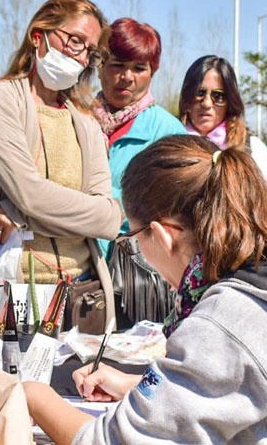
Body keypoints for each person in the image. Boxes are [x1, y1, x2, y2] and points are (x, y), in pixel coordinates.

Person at [24, 134, 267, 444]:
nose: (138, 249)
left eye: (135, 238)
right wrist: (136, 387)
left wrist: (31, 394)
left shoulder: (232, 316)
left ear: (162, 234)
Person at [0, 0, 120, 313]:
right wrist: (31, 206)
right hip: (10, 291)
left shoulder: (87, 121)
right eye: (75, 41)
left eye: (89, 52)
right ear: (39, 36)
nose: (80, 58)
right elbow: (31, 195)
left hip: (83, 292)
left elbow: (108, 217)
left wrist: (20, 215)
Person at [92, 18, 185, 326]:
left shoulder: (167, 131)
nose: (127, 77)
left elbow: (179, 209)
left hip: (139, 275)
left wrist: (111, 207)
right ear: (99, 64)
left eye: (139, 68)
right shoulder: (78, 119)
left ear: (152, 72)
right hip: (79, 266)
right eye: (117, 65)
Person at [178, 55, 267, 194]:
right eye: (199, 93)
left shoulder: (253, 149)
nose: (206, 103)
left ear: (230, 101)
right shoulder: (166, 140)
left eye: (218, 96)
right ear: (186, 97)